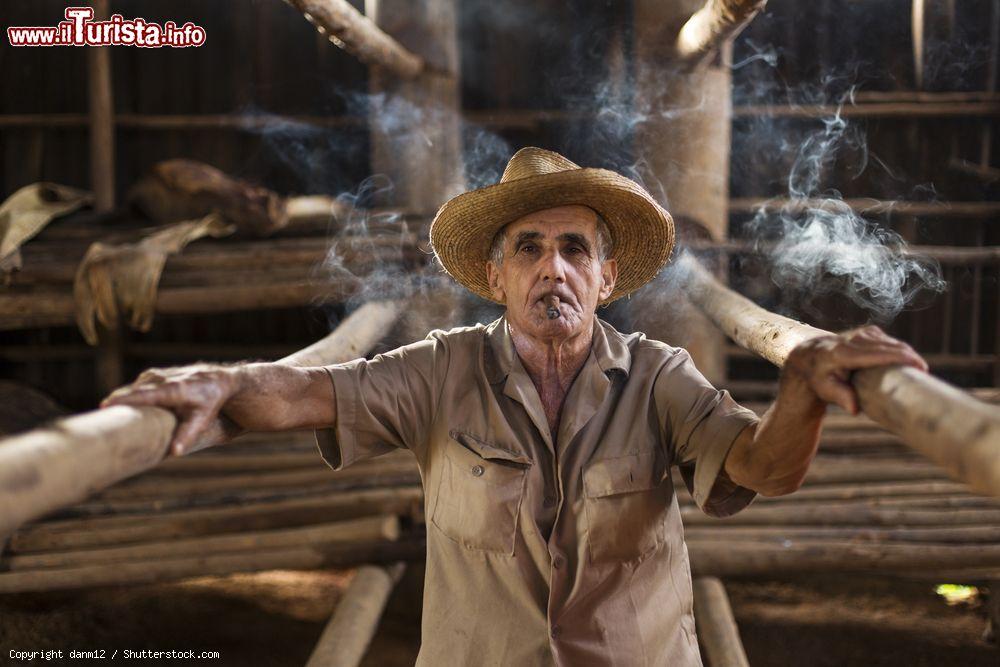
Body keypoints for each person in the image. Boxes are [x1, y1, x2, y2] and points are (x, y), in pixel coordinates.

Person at [103, 147, 928, 666]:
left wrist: (802, 391)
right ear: (495, 279)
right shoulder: (439, 371)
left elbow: (760, 467)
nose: (553, 268)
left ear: (608, 278)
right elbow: (303, 394)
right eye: (529, 248)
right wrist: (222, 379)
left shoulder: (657, 375)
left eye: (575, 248)